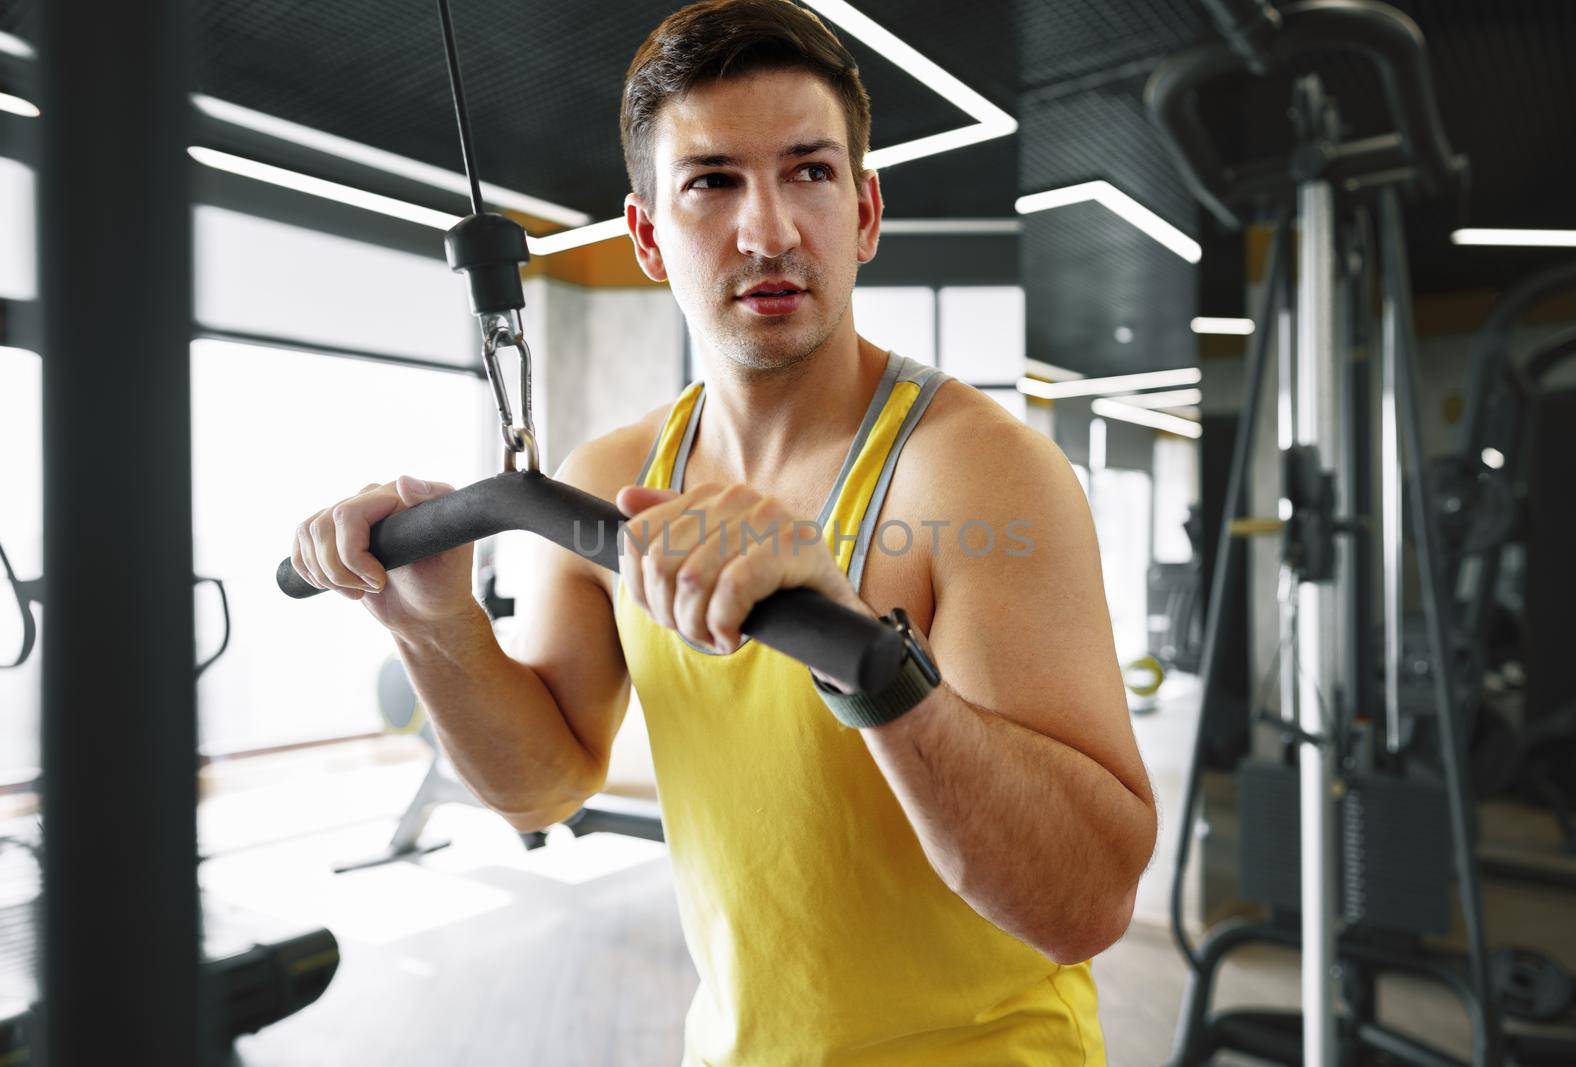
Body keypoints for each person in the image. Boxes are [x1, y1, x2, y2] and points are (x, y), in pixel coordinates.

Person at [287, 1, 1156, 1062]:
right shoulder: (608, 480)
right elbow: (543, 783)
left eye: (809, 172)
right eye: (711, 181)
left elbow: (1085, 901)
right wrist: (436, 625)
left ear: (866, 211)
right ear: (648, 234)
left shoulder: (979, 472)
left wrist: (867, 655)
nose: (770, 230)